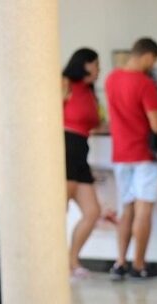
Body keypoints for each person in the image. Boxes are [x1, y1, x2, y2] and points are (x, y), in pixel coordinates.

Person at [104, 37, 157, 280]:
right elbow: (156, 124)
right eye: (154, 60)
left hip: (120, 154)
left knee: (126, 209)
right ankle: (139, 265)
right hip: (143, 154)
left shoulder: (111, 79)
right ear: (148, 55)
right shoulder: (144, 83)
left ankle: (120, 262)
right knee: (143, 211)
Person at [62, 47, 105, 280]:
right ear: (86, 64)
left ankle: (72, 259)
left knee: (92, 211)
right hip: (66, 148)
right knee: (60, 209)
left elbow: (97, 122)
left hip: (81, 150)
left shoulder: (89, 92)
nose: (99, 70)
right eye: (96, 64)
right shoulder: (65, 83)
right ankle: (54, 262)